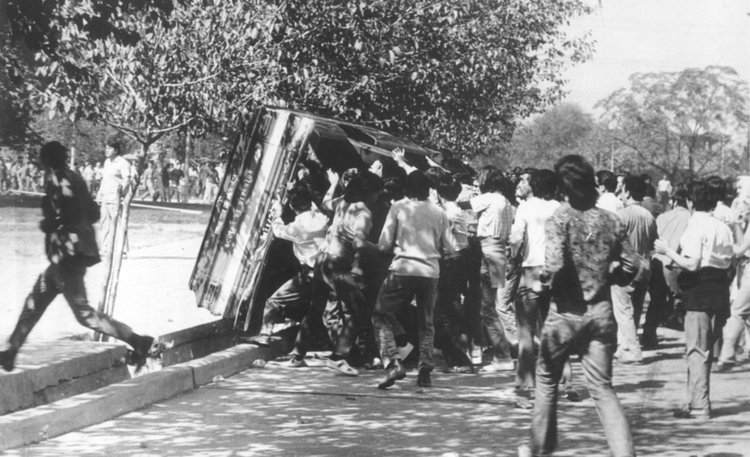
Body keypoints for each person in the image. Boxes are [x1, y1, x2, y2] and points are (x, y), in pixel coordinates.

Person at [0, 142, 156, 372]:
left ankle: (139, 341)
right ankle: (10, 352)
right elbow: (93, 212)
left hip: (67, 255)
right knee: (34, 303)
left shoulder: (58, 178)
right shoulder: (74, 176)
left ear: (47, 159)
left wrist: (50, 224)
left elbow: (67, 212)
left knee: (84, 315)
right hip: (70, 254)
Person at [519, 155, 637, 457]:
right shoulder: (611, 220)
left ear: (563, 186)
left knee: (547, 381)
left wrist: (542, 279)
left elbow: (554, 264)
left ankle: (540, 448)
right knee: (602, 388)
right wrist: (609, 277)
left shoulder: (560, 218)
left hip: (564, 313)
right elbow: (632, 264)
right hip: (600, 313)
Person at [654, 180, 733, 420]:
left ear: (690, 201)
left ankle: (699, 405)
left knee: (696, 351)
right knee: (705, 351)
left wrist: (667, 251)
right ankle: (696, 400)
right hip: (720, 291)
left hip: (699, 292)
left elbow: (692, 263)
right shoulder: (723, 227)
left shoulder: (695, 226)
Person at [373, 169, 457, 389]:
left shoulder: (398, 207)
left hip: (402, 269)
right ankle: (425, 370)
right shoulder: (439, 212)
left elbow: (383, 244)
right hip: (430, 272)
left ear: (406, 188)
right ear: (428, 188)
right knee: (426, 323)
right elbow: (451, 247)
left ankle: (393, 362)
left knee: (381, 315)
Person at [251, 184, 329, 349]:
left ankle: (265, 335)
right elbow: (313, 207)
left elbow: (278, 231)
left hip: (309, 275)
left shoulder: (298, 227)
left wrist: (278, 214)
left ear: (292, 208)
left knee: (273, 302)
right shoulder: (322, 218)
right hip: (326, 273)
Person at [509, 169, 560, 399]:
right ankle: (566, 381)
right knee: (555, 330)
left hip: (531, 270)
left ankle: (525, 388)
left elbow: (516, 237)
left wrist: (513, 257)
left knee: (526, 332)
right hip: (554, 271)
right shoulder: (559, 208)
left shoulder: (526, 207)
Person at [466, 166, 515, 372]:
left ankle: (503, 355)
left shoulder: (488, 198)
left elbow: (465, 205)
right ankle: (504, 351)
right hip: (500, 251)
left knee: (487, 309)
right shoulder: (507, 203)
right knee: (491, 305)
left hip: (487, 249)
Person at [612, 174, 657, 363]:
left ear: (628, 192)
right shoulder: (649, 216)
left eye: (622, 190)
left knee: (623, 311)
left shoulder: (621, 215)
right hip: (645, 266)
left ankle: (632, 349)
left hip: (626, 268)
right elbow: (654, 242)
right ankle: (624, 346)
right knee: (636, 310)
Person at [96, 136, 132, 256]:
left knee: (119, 224)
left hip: (116, 199)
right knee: (104, 223)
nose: (106, 150)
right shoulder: (107, 162)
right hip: (105, 198)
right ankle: (106, 248)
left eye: (109, 148)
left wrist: (121, 195)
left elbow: (127, 180)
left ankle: (122, 249)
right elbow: (105, 179)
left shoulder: (123, 163)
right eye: (106, 148)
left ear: (116, 150)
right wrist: (100, 193)